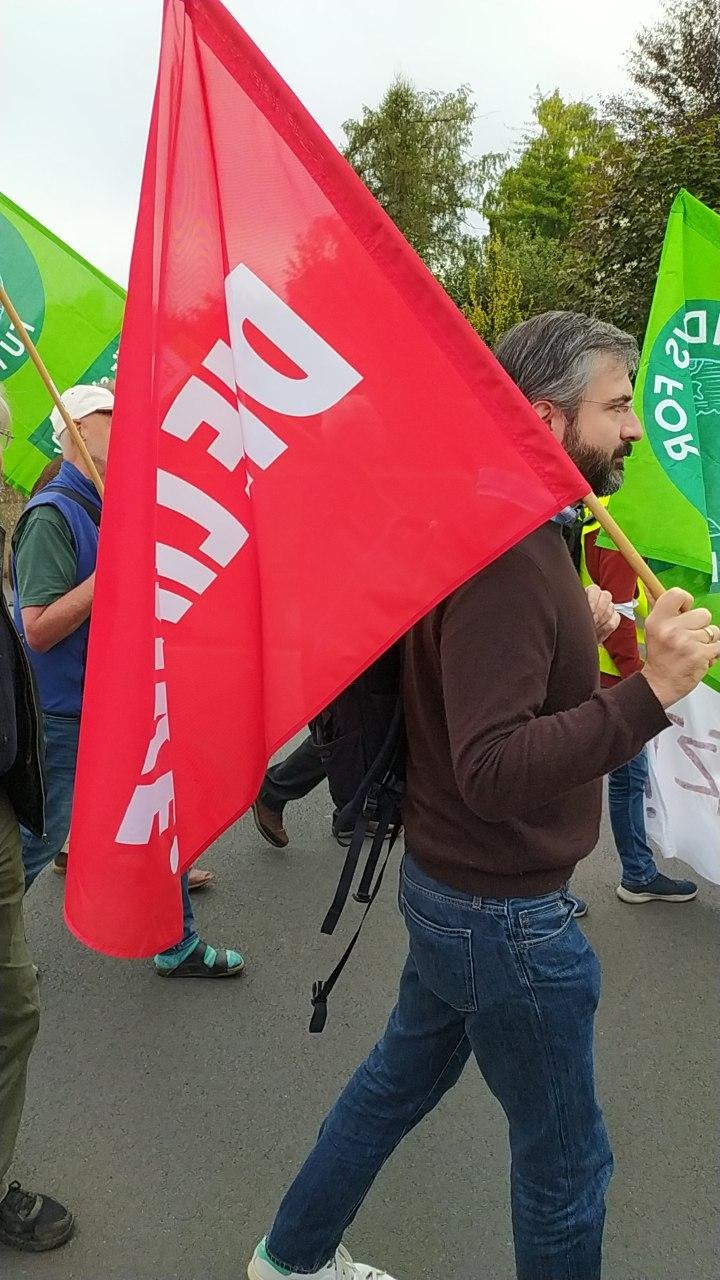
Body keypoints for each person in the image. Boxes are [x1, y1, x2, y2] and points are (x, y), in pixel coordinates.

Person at [246, 312, 720, 1280]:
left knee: (391, 1085)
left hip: (457, 893)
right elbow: (492, 767)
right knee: (567, 1167)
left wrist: (576, 620)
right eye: (617, 405)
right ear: (548, 419)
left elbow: (488, 686)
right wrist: (650, 692)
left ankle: (289, 1259)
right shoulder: (511, 550)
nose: (634, 426)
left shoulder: (509, 523)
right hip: (505, 918)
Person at [12, 384, 243, 978]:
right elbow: (36, 629)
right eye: (113, 416)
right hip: (68, 710)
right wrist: (113, 569)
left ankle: (178, 941)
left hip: (119, 696)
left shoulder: (110, 501)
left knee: (159, 808)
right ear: (80, 429)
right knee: (38, 839)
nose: (126, 425)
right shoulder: (50, 515)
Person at [0, 383, 74, 1251]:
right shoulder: (54, 517)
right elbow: (42, 626)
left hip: (13, 778)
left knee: (15, 1004)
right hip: (49, 731)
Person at [581, 506, 698, 904]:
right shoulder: (619, 532)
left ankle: (634, 873)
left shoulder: (603, 523)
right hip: (617, 679)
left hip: (603, 675)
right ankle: (636, 874)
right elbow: (619, 616)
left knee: (615, 780)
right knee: (625, 780)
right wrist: (644, 684)